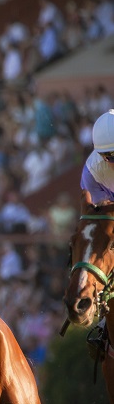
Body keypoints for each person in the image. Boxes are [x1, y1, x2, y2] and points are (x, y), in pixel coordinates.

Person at [81, 109, 114, 357]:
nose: (111, 161)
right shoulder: (92, 170)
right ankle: (107, 322)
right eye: (106, 156)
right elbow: (101, 220)